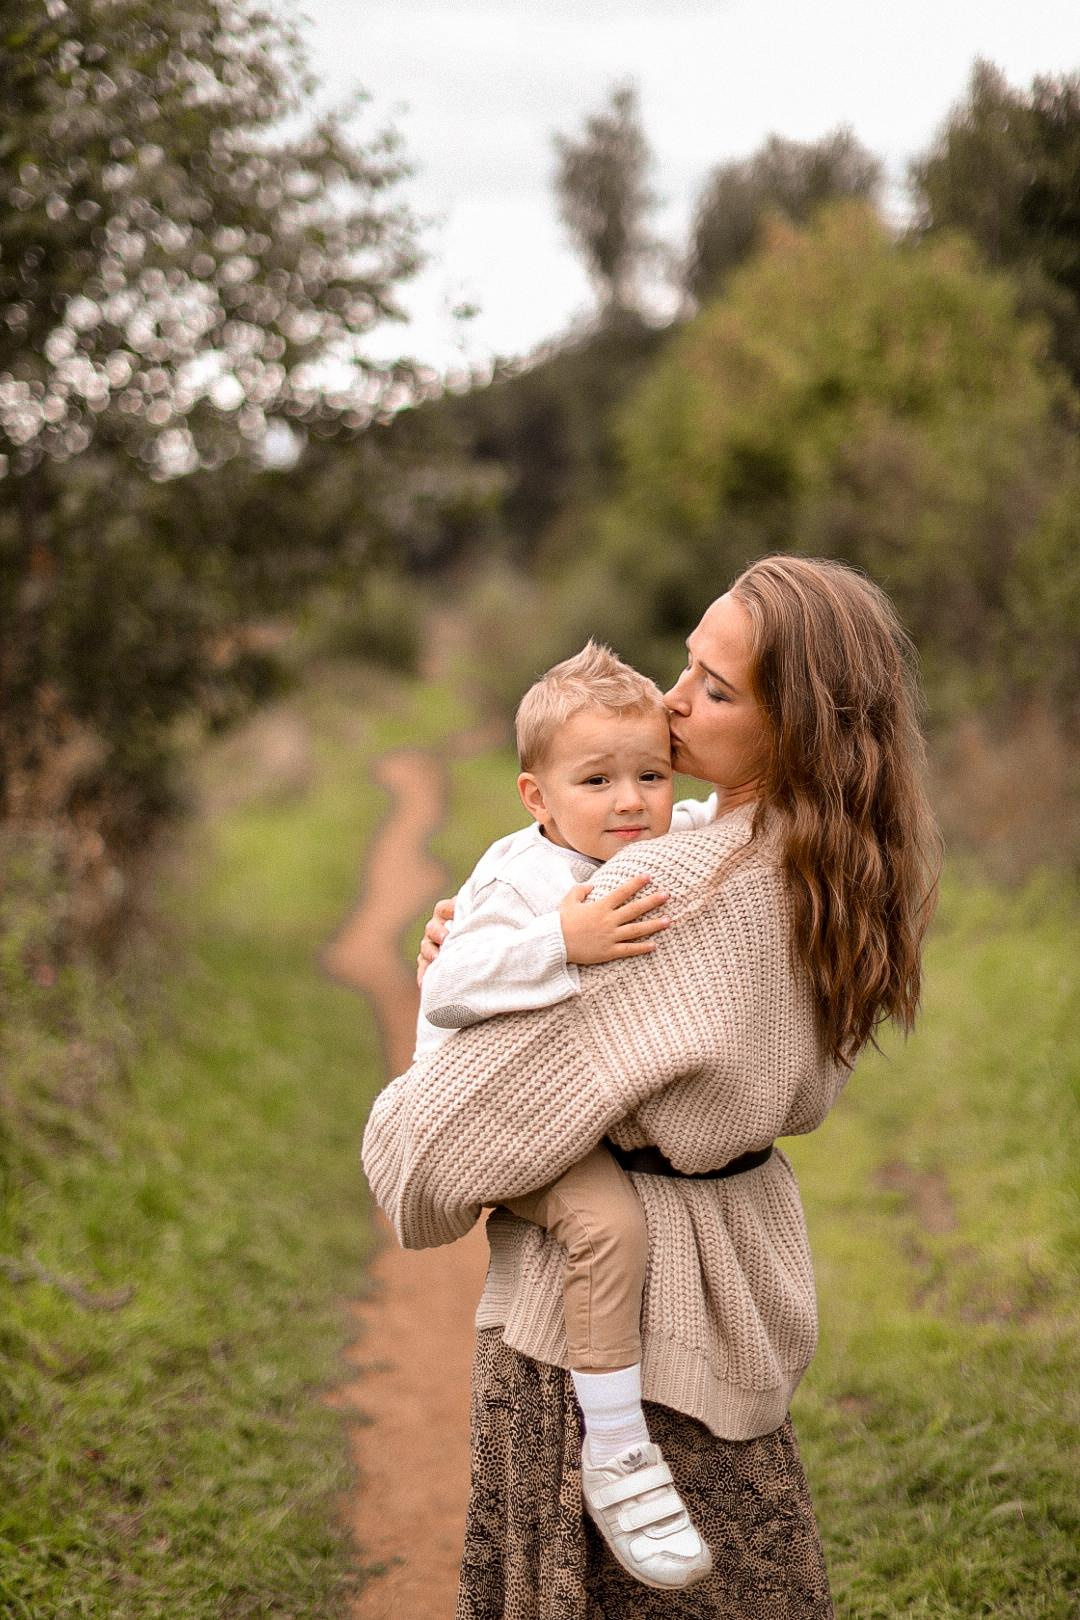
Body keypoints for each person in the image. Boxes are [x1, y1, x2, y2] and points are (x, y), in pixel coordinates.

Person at [363, 555, 941, 1620]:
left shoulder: (664, 891)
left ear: (799, 726)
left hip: (612, 1336)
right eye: (689, 664)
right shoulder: (833, 870)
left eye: (717, 690)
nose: (674, 703)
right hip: (741, 1283)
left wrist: (448, 986)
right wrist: (502, 955)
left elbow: (426, 1157)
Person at [414, 639, 721, 1589]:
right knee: (609, 1225)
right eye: (596, 780)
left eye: (649, 775)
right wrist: (563, 940)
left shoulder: (648, 839)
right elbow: (450, 982)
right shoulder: (520, 882)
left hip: (561, 1107)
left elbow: (735, 824)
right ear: (536, 798)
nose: (631, 801)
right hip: (493, 1115)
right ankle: (618, 1453)